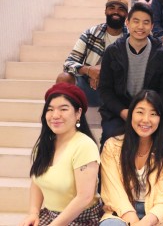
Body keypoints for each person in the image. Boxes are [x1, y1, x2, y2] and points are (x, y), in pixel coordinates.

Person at [100, 90, 163, 225]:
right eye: (140, 112)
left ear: (160, 118)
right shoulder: (112, 146)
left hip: (157, 216)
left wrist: (145, 223)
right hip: (121, 212)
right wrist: (133, 220)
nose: (146, 119)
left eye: (153, 114)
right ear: (131, 115)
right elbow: (114, 191)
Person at [21, 83, 102, 226]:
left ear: (78, 113)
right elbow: (37, 180)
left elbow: (84, 197)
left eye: (63, 109)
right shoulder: (45, 144)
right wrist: (33, 213)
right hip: (51, 215)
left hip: (81, 219)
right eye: (50, 109)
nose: (55, 115)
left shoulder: (84, 146)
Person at [98, 3, 163, 145]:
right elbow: (105, 89)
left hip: (152, 110)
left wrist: (147, 112)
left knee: (161, 144)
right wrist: (122, 111)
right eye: (136, 21)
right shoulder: (112, 51)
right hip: (120, 111)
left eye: (146, 22)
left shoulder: (162, 53)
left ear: (151, 27)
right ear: (127, 22)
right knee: (110, 139)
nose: (140, 27)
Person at [63, 0, 129, 107]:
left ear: (127, 15)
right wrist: (89, 70)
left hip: (117, 90)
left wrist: (103, 74)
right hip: (90, 87)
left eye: (121, 9)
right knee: (64, 77)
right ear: (105, 11)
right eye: (111, 8)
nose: (116, 12)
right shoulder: (91, 33)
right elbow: (68, 64)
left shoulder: (131, 38)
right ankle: (64, 117)